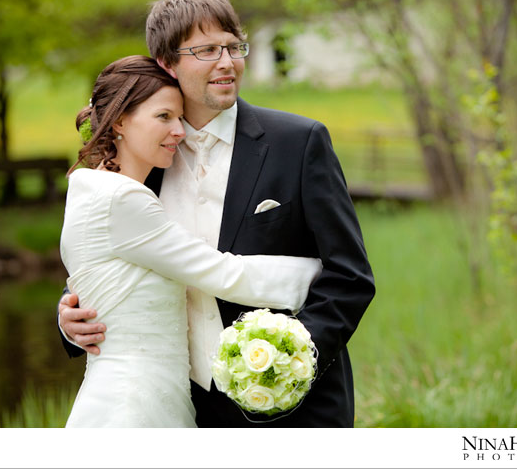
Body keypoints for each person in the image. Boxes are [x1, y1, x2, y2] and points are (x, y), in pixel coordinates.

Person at [59, 0, 375, 427]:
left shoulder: (298, 143)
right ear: (167, 63)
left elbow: (349, 276)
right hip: (185, 406)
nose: (227, 62)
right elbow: (108, 258)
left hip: (295, 413)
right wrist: (71, 318)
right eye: (207, 50)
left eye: (234, 46)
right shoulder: (145, 157)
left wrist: (294, 362)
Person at [60, 55, 322, 427]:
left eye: (179, 117)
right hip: (136, 402)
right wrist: (320, 270)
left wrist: (68, 312)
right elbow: (221, 273)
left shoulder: (90, 189)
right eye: (163, 117)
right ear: (119, 120)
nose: (180, 130)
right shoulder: (123, 200)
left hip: (138, 391)